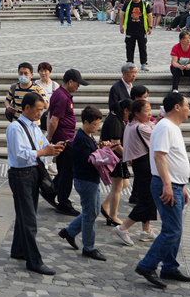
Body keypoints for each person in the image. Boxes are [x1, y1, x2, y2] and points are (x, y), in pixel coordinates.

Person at [134, 92, 190, 289]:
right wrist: (168, 184)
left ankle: (169, 267)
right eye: (187, 105)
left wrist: (181, 185)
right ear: (177, 107)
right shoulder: (166, 127)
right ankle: (147, 265)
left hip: (175, 184)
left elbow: (174, 158)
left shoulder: (173, 127)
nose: (189, 110)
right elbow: (160, 156)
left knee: (174, 229)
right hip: (165, 184)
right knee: (172, 230)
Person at [7, 92, 65, 275]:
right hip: (20, 174)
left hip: (32, 173)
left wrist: (53, 149)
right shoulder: (16, 128)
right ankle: (34, 260)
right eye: (38, 110)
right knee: (29, 218)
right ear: (27, 108)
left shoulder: (34, 126)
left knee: (25, 214)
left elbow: (42, 145)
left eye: (42, 110)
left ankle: (18, 249)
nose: (40, 113)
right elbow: (19, 154)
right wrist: (43, 152)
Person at [58, 105, 108, 261]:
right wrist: (103, 156)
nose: (97, 127)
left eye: (98, 124)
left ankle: (69, 232)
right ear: (86, 122)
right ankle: (89, 247)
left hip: (91, 179)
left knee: (93, 211)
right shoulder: (81, 138)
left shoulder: (88, 136)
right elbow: (89, 160)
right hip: (85, 180)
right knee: (89, 214)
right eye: (95, 124)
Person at [113, 98, 157, 247]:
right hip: (145, 165)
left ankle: (146, 230)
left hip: (140, 164)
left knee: (148, 196)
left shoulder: (131, 125)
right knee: (146, 200)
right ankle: (123, 227)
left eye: (150, 110)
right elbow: (157, 136)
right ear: (136, 113)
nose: (150, 113)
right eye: (146, 111)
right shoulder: (141, 128)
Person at [49, 69, 88, 216]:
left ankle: (51, 191)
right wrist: (49, 138)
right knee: (67, 173)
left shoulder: (60, 94)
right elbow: (54, 120)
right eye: (77, 84)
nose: (78, 87)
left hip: (64, 138)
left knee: (65, 169)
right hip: (64, 140)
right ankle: (63, 203)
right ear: (70, 82)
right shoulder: (63, 97)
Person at [100, 98, 130, 227]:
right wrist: (128, 156)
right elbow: (116, 144)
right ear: (125, 110)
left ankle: (105, 205)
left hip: (117, 158)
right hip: (115, 158)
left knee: (124, 183)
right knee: (117, 187)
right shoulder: (115, 121)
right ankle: (113, 216)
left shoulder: (115, 118)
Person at [121, 0, 151, 71]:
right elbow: (122, 14)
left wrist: (150, 26)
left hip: (141, 30)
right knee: (129, 47)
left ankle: (144, 63)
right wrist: (121, 26)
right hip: (130, 30)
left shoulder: (145, 4)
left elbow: (149, 15)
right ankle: (130, 63)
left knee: (143, 47)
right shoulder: (127, 4)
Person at [169, 30, 190, 99]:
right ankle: (175, 90)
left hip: (187, 67)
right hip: (177, 67)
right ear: (181, 40)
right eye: (186, 38)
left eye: (189, 38)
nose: (188, 40)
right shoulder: (175, 47)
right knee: (176, 71)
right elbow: (174, 63)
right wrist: (179, 66)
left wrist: (189, 65)